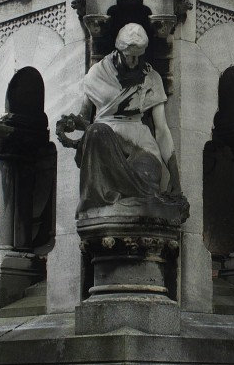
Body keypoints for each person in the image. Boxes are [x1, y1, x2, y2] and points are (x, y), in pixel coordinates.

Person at [60, 23, 185, 218]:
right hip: (104, 143)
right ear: (118, 51)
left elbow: (161, 130)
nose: (135, 62)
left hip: (140, 145)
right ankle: (114, 204)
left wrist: (175, 177)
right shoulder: (97, 74)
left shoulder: (151, 77)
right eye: (130, 56)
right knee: (96, 131)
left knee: (148, 180)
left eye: (139, 56)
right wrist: (70, 124)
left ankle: (131, 202)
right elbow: (84, 117)